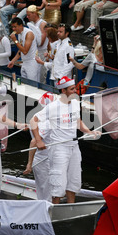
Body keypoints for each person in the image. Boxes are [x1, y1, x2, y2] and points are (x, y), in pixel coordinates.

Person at [30, 76, 100, 204]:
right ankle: (54, 211)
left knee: (74, 180)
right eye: (72, 89)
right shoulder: (52, 107)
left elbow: (78, 122)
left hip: (74, 146)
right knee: (58, 183)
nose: (75, 91)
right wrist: (38, 140)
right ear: (63, 91)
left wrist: (90, 132)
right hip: (59, 149)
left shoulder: (75, 103)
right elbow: (33, 120)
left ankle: (71, 208)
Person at [23, 92, 56, 201]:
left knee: (42, 190)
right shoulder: (47, 122)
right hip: (43, 161)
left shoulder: (36, 117)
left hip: (43, 159)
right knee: (47, 192)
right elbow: (34, 142)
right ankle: (47, 213)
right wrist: (29, 164)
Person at [8, 17, 39, 81]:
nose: (13, 29)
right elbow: (20, 50)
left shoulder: (29, 34)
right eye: (12, 27)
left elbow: (25, 51)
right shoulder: (19, 34)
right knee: (24, 83)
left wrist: (15, 40)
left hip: (32, 63)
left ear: (21, 25)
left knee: (32, 85)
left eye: (15, 27)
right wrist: (13, 61)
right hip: (24, 62)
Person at [27, 5, 49, 83]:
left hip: (42, 53)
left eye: (29, 15)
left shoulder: (42, 24)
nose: (27, 17)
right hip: (36, 53)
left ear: (34, 13)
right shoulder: (32, 24)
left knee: (41, 76)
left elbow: (41, 42)